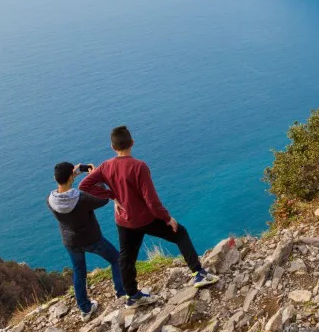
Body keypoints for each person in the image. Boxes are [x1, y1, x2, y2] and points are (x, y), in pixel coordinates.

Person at [80, 126, 218, 307]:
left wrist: (112, 196)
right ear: (132, 143)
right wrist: (168, 218)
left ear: (113, 147)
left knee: (126, 258)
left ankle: (132, 296)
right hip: (145, 218)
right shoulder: (139, 166)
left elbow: (84, 185)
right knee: (180, 233)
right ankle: (198, 273)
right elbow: (151, 201)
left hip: (124, 221)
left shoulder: (106, 166)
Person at [47, 161, 126, 320]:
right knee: (116, 259)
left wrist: (73, 174)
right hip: (91, 239)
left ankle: (85, 308)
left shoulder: (50, 200)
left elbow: (64, 188)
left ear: (55, 179)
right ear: (70, 177)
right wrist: (95, 178)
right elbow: (103, 199)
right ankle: (121, 293)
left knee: (79, 272)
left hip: (70, 241)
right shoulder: (81, 199)